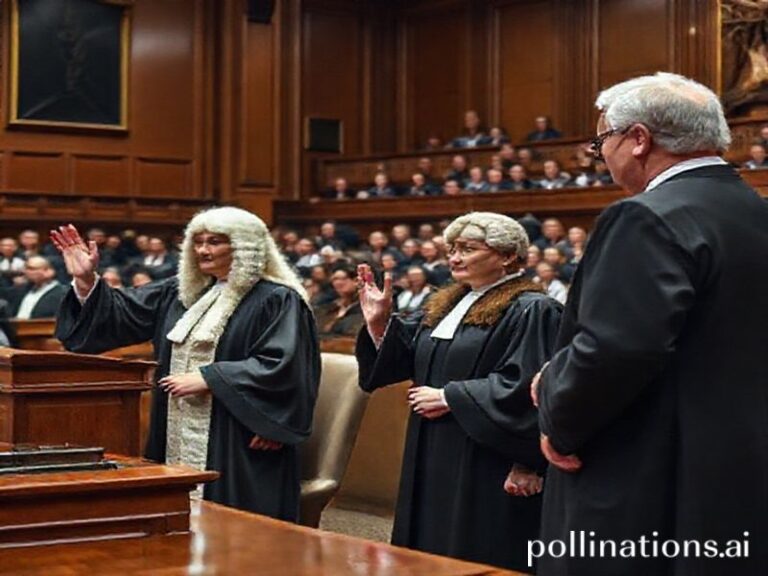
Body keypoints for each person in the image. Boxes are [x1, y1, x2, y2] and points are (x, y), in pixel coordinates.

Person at [534, 72, 768, 575]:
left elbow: (616, 349)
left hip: (646, 475)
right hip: (740, 468)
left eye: (602, 143)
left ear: (638, 139)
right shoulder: (754, 209)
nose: (602, 158)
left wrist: (557, 409)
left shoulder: (645, 217)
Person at [52, 207, 321, 522]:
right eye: (198, 241)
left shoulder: (277, 299)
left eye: (215, 242)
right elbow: (122, 313)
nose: (203, 250)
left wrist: (211, 378)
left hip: (238, 433)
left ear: (245, 246)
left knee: (237, 531)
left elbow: (286, 365)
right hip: (175, 426)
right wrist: (86, 280)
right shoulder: (179, 293)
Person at [356, 212, 562, 571]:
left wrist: (451, 396)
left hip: (486, 456)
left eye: (467, 249)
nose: (453, 257)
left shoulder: (534, 309)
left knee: (476, 548)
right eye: (451, 248)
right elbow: (405, 357)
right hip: (432, 447)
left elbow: (530, 386)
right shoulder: (447, 303)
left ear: (508, 256)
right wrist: (378, 323)